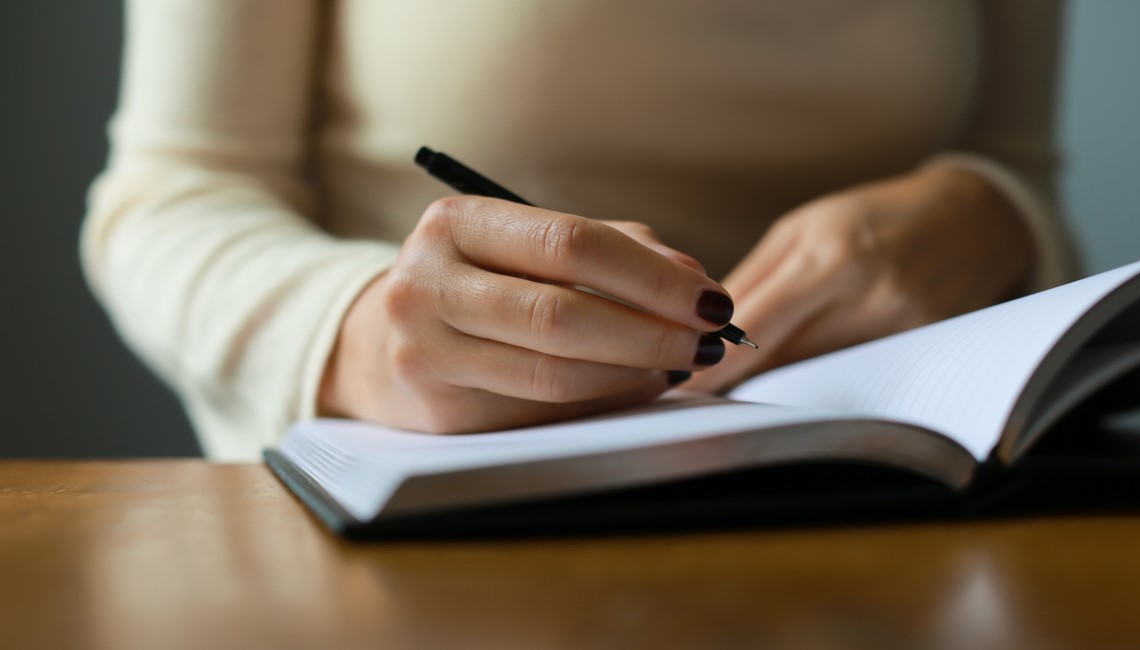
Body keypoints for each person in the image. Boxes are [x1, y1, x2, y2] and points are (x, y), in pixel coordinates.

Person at [82, 1, 1077, 460]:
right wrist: (363, 334)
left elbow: (1020, 174)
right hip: (437, 551)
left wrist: (994, 218)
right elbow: (172, 198)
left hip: (894, 529)